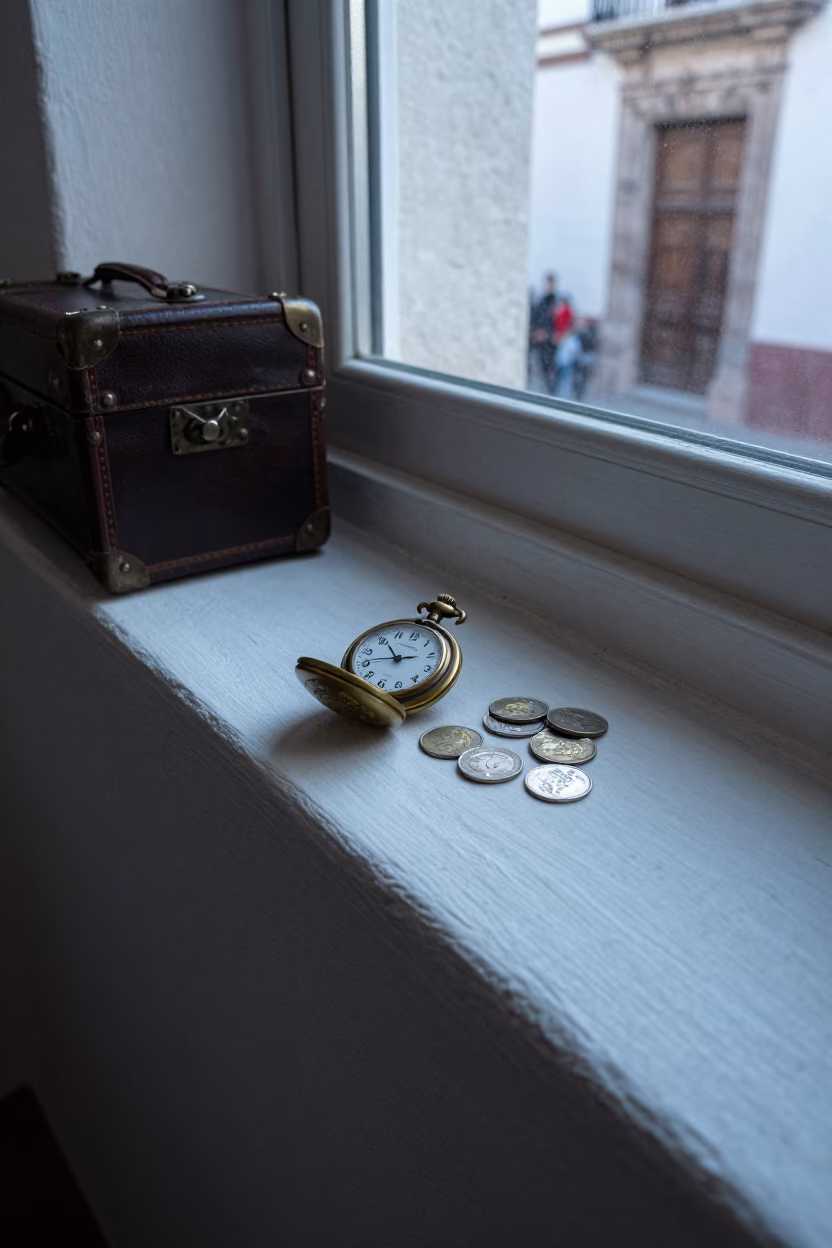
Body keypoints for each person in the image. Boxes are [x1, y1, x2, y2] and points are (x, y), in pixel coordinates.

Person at [529, 273, 558, 394]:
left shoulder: (555, 301)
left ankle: (551, 391)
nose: (549, 285)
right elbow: (538, 317)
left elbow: (555, 322)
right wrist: (535, 332)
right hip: (540, 339)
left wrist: (547, 333)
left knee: (548, 368)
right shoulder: (542, 300)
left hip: (549, 340)